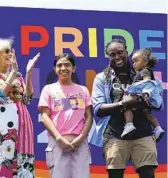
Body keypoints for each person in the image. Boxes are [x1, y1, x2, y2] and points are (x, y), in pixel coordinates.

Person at [90, 39, 161, 178]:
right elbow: (98, 109)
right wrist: (123, 104)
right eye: (112, 54)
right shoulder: (102, 78)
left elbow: (158, 103)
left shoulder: (143, 73)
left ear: (127, 52)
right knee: (115, 175)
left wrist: (142, 99)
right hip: (115, 134)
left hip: (143, 133)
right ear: (107, 56)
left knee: (148, 174)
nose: (117, 57)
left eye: (120, 52)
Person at [0, 37, 39, 178]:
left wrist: (29, 73)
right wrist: (12, 73)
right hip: (4, 126)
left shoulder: (18, 75)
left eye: (11, 51)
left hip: (24, 124)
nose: (10, 54)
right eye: (6, 51)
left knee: (25, 167)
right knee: (5, 164)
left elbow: (27, 99)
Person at [38, 53, 93, 178]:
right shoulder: (48, 89)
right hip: (57, 143)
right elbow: (44, 117)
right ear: (55, 69)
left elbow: (89, 116)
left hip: (80, 143)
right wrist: (59, 139)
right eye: (59, 65)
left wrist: (81, 137)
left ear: (74, 68)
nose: (63, 68)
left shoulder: (83, 90)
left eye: (67, 65)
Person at [120, 48, 164, 140]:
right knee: (148, 114)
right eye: (133, 61)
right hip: (143, 99)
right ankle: (157, 128)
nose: (134, 64)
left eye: (136, 61)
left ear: (146, 61)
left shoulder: (144, 71)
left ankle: (129, 125)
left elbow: (147, 82)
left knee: (126, 106)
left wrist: (146, 93)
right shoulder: (146, 71)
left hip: (139, 96)